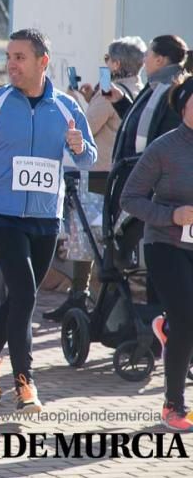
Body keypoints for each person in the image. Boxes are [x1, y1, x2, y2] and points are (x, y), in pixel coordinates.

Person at [0, 28, 96, 415]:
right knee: (26, 293)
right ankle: (25, 383)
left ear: (41, 62)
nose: (11, 65)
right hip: (1, 212)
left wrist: (79, 147)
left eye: (19, 57)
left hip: (45, 217)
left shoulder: (67, 108)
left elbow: (87, 158)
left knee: (20, 295)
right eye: (8, 57)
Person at [44, 36, 145, 322]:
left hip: (98, 175)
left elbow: (84, 128)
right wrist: (89, 98)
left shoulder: (107, 93)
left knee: (84, 234)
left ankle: (79, 296)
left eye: (108, 59)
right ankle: (82, 295)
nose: (106, 63)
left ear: (116, 63)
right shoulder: (140, 91)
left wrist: (77, 100)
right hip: (124, 177)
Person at [120, 76, 193, 431]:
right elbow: (129, 197)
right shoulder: (164, 148)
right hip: (166, 244)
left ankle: (167, 326)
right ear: (184, 107)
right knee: (187, 319)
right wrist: (171, 215)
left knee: (184, 323)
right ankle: (173, 407)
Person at [112, 34, 193, 161]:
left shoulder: (173, 92)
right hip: (137, 170)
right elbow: (142, 123)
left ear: (159, 60)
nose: (144, 60)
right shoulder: (154, 87)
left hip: (150, 174)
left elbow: (165, 139)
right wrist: (120, 101)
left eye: (147, 54)